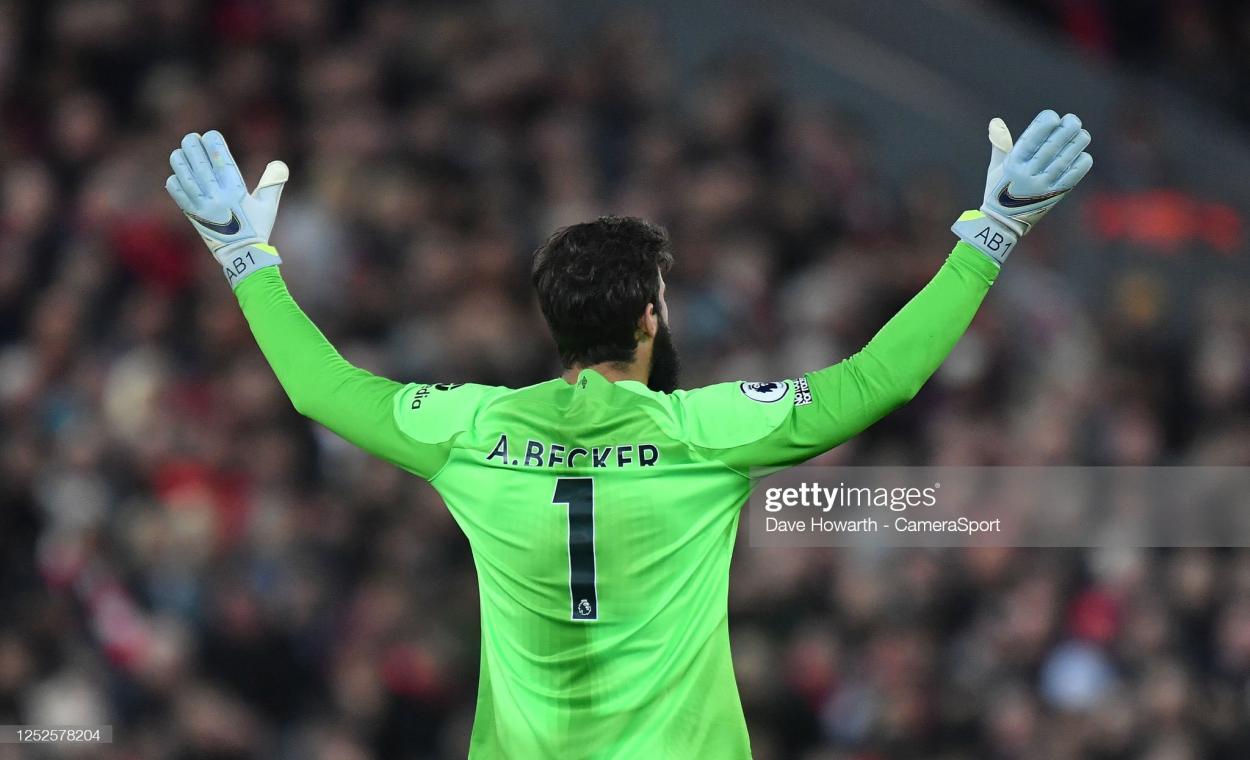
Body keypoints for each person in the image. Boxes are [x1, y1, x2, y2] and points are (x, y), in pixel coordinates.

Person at [164, 110, 1092, 759]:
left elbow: (322, 391)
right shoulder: (709, 432)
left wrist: (246, 260)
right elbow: (883, 378)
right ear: (649, 318)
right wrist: (994, 232)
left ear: (555, 328)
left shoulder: (472, 428)